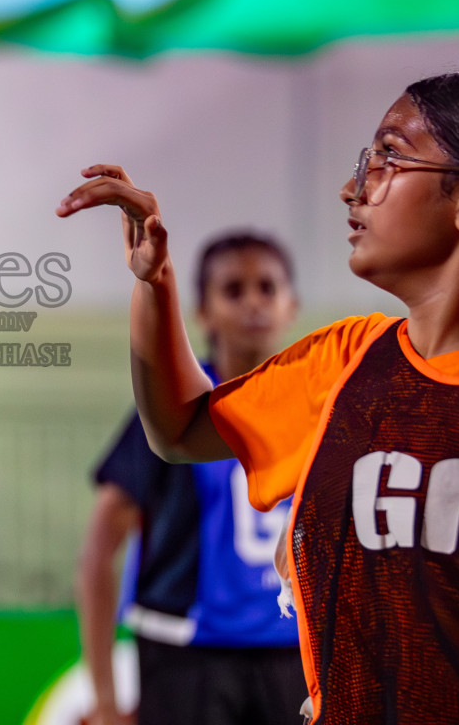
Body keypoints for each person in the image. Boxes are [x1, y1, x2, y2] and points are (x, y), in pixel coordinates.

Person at [57, 73, 459, 725]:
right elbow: (179, 428)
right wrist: (153, 283)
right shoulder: (345, 361)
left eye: (387, 156)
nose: (353, 187)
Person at [77, 232, 306, 725]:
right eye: (234, 289)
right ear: (202, 311)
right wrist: (105, 700)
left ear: (293, 305)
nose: (253, 303)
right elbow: (98, 553)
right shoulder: (168, 418)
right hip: (184, 655)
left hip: (295, 653)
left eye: (267, 287)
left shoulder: (321, 405)